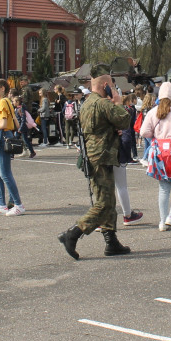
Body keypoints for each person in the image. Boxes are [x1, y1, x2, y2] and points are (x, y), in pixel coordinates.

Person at [59, 67, 133, 258]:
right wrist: (118, 102)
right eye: (112, 86)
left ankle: (111, 241)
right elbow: (124, 120)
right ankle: (73, 233)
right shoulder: (102, 103)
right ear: (106, 85)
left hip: (94, 156)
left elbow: (103, 126)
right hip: (101, 156)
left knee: (108, 199)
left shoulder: (87, 102)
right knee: (103, 204)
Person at [139, 81, 171, 231]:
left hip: (159, 150)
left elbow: (143, 132)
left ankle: (162, 221)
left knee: (164, 187)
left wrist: (155, 136)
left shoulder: (152, 112)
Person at [0, 79, 24, 216]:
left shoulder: (3, 102)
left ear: (2, 88)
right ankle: (2, 204)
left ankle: (18, 204)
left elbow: (3, 124)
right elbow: (14, 123)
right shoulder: (5, 102)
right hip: (0, 137)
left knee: (5, 174)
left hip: (2, 137)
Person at [114, 94, 144, 225]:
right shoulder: (118, 110)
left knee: (105, 188)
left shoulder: (98, 108)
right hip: (114, 152)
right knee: (120, 186)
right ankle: (127, 214)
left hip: (102, 152)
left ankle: (102, 220)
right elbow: (125, 134)